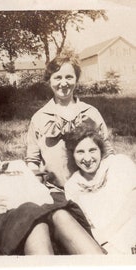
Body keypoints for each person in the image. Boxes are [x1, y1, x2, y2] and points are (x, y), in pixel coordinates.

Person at [0, 125, 104, 255]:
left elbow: (44, 196)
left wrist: (15, 201)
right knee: (31, 217)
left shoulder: (16, 165)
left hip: (35, 211)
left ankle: (101, 263)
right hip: (4, 224)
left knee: (61, 214)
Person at [25, 56, 114, 188]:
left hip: (91, 187)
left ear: (76, 79)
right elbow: (33, 160)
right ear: (49, 80)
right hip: (54, 190)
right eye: (58, 77)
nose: (64, 83)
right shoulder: (39, 118)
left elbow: (107, 152)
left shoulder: (90, 113)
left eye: (69, 77)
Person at [64, 124, 136, 254]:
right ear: (72, 154)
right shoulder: (72, 186)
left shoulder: (119, 163)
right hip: (108, 247)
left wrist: (106, 234)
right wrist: (106, 244)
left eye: (92, 150)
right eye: (80, 152)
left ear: (100, 150)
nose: (87, 159)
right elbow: (89, 226)